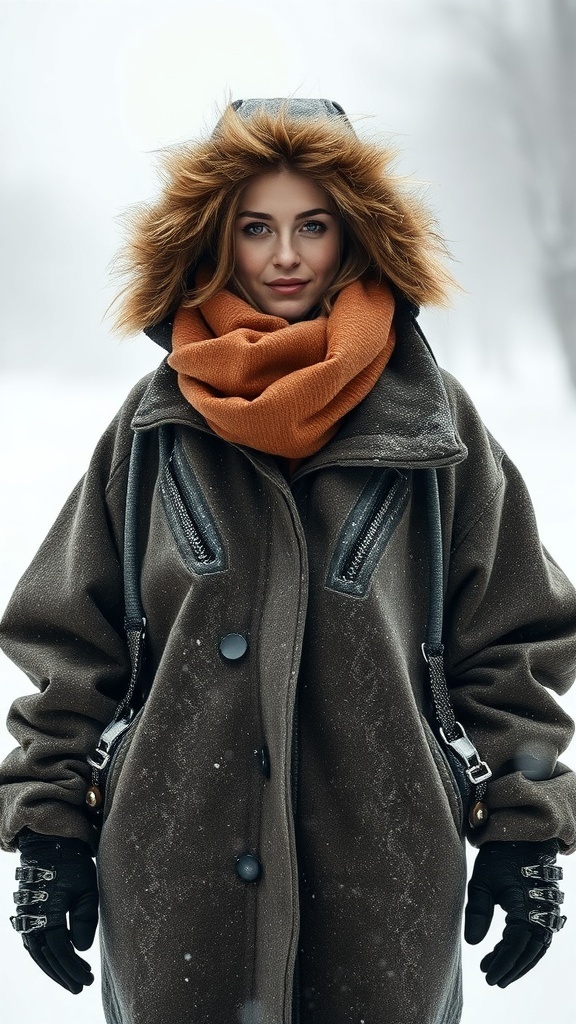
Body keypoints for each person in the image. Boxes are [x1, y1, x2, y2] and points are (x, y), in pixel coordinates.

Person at [0, 97, 575, 1024]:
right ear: (214, 239)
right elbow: (72, 645)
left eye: (313, 225)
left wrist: (525, 828)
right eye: (255, 227)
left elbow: (513, 641)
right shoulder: (153, 428)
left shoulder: (433, 424)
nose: (286, 255)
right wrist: (49, 829)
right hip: (174, 883)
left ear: (355, 233)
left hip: (385, 887)